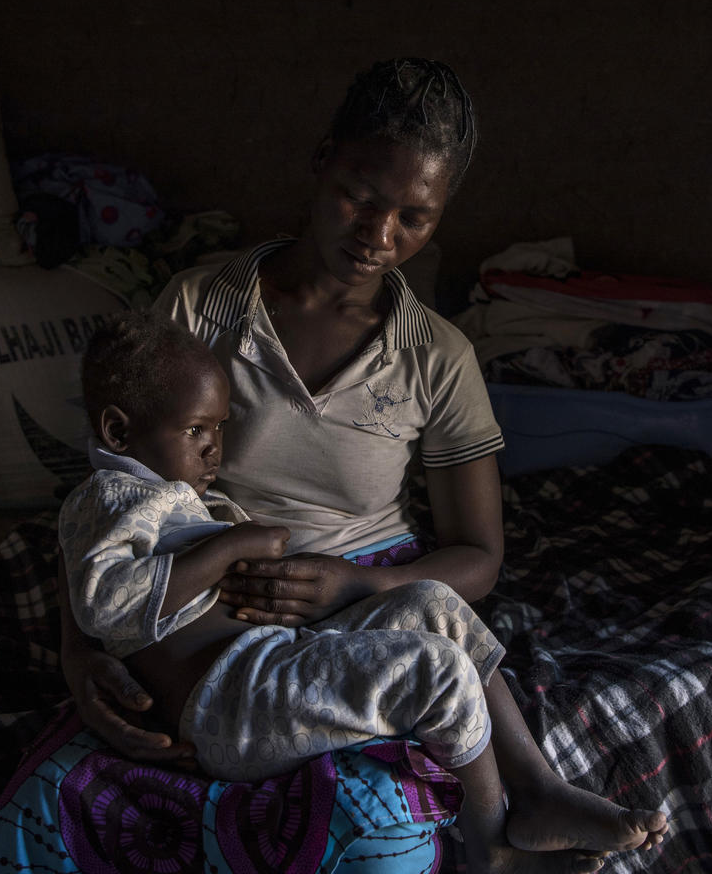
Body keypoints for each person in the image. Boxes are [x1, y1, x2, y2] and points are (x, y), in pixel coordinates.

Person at [56, 58, 668, 871]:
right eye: (361, 197)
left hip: (364, 588)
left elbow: (479, 558)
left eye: (415, 218)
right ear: (321, 162)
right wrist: (78, 651)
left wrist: (356, 587)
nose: (380, 237)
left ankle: (538, 789)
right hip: (216, 605)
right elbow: (113, 491)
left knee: (432, 624)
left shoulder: (437, 357)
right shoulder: (202, 308)